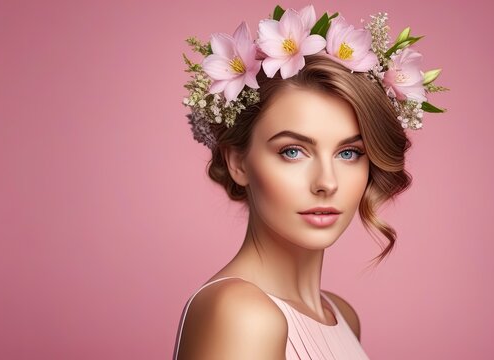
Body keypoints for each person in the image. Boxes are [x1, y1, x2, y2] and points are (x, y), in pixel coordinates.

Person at [174, 5, 446, 359]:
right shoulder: (239, 313)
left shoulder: (341, 315)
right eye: (293, 151)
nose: (326, 183)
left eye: (349, 153)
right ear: (237, 161)